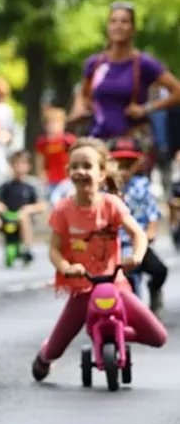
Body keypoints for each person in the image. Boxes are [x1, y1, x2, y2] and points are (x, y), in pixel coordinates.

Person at [31, 138, 166, 381]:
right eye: (75, 167)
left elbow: (138, 234)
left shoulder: (112, 205)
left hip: (116, 285)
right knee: (55, 348)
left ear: (102, 173)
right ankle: (44, 357)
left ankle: (114, 333)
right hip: (83, 288)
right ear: (68, 172)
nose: (80, 172)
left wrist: (135, 256)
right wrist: (66, 266)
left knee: (158, 337)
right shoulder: (63, 210)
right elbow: (54, 249)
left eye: (87, 166)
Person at [68, 2, 180, 170]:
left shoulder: (143, 63)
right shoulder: (95, 63)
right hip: (99, 143)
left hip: (131, 146)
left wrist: (146, 109)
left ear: (133, 29)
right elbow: (83, 95)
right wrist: (77, 112)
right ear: (108, 27)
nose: (118, 26)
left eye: (124, 21)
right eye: (113, 21)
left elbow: (177, 91)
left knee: (129, 194)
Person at [110, 137, 167, 311]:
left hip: (139, 242)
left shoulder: (143, 185)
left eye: (129, 163)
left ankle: (154, 290)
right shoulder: (105, 188)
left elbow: (152, 213)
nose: (124, 168)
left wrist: (151, 231)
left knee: (160, 271)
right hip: (114, 245)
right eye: (119, 163)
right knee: (124, 284)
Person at [0, 150, 46, 265]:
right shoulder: (4, 184)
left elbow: (42, 205)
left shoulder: (32, 184)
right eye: (16, 164)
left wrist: (30, 208)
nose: (19, 167)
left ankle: (27, 249)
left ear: (28, 166)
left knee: (23, 216)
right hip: (6, 217)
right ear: (11, 165)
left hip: (23, 220)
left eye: (23, 163)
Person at [34, 107, 76, 201]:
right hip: (51, 179)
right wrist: (41, 174)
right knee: (52, 201)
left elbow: (74, 157)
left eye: (56, 123)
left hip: (66, 179)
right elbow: (39, 160)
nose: (53, 127)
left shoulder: (68, 140)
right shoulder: (42, 142)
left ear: (63, 125)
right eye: (50, 124)